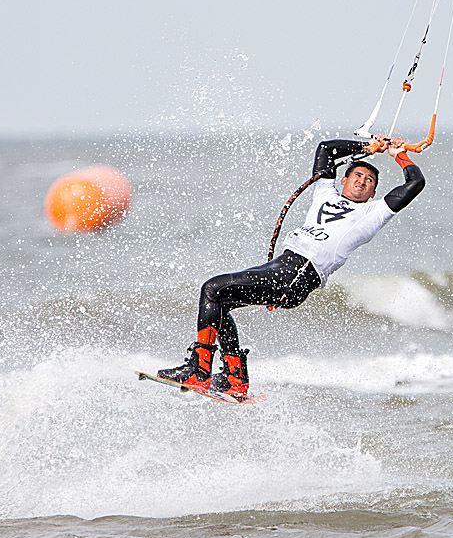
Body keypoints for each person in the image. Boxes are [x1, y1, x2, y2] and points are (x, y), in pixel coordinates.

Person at [158, 135, 426, 399]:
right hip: (282, 266)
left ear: (373, 193)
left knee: (212, 288)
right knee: (220, 305)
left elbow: (416, 182)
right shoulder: (324, 192)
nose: (363, 181)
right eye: (357, 175)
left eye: (369, 181)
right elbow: (326, 149)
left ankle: (199, 370)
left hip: (299, 274)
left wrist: (399, 155)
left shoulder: (374, 213)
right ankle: (234, 378)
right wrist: (367, 146)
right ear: (343, 180)